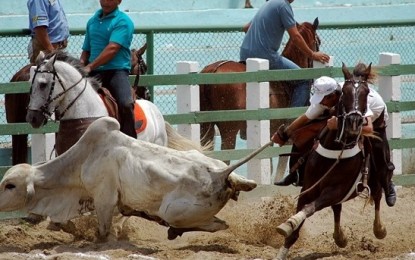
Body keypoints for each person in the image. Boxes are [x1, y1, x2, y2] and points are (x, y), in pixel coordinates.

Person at [273, 69, 397, 207]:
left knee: (379, 151)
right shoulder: (327, 98)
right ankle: (296, 173)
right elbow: (306, 117)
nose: (321, 103)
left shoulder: (358, 98)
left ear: (333, 96)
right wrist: (285, 134)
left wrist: (338, 125)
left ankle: (388, 184)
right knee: (306, 132)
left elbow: (367, 129)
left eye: (323, 99)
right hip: (344, 117)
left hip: (374, 121)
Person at [240, 0, 330, 107]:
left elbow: (246, 28)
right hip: (266, 56)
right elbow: (295, 36)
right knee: (304, 80)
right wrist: (313, 54)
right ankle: (292, 119)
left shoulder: (269, 3)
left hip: (244, 53)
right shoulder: (284, 6)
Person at [80, 0, 137, 139]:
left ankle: (130, 140)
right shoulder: (92, 21)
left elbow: (113, 49)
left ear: (119, 1)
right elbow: (86, 50)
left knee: (125, 103)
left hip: (116, 71)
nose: (105, 2)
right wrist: (79, 67)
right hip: (93, 72)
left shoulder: (123, 21)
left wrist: (90, 66)